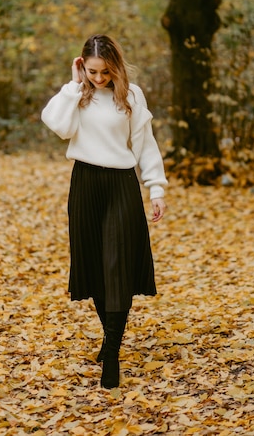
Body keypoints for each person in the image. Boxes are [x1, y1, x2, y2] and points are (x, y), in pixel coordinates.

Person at [41, 34, 167, 389]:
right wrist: (72, 84)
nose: (99, 78)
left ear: (116, 66)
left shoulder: (132, 95)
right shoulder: (78, 95)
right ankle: (110, 337)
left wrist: (156, 187)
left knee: (118, 265)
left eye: (105, 72)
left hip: (121, 185)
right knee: (95, 266)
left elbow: (145, 145)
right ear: (83, 66)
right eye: (93, 71)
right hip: (85, 184)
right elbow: (57, 126)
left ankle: (111, 354)